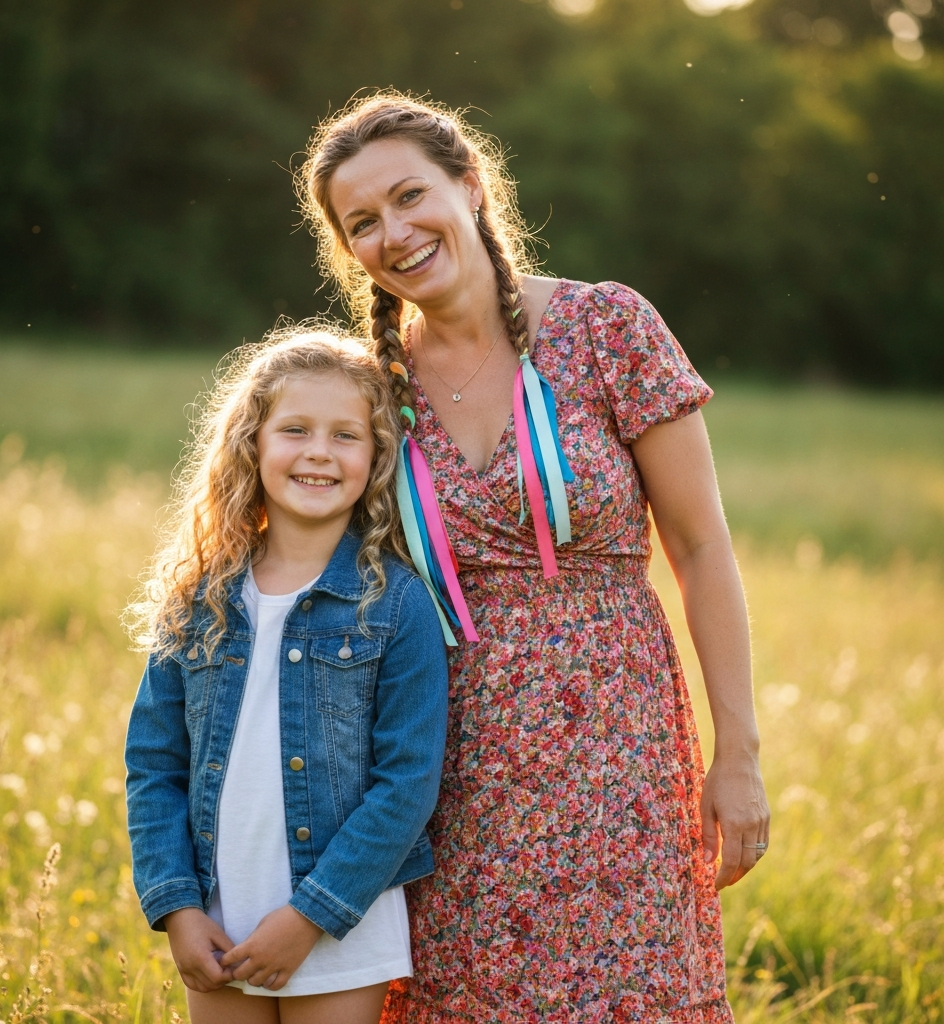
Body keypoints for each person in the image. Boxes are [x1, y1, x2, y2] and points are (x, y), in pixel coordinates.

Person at [299, 94, 772, 1022]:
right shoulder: (362, 388)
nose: (394, 233)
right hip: (438, 765)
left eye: (409, 196)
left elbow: (701, 545)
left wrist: (739, 753)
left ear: (470, 185)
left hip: (619, 752)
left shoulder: (608, 329)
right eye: (363, 223)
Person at [124, 329, 449, 1024]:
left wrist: (310, 915)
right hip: (219, 921)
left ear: (378, 456)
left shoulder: (397, 605)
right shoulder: (200, 597)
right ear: (254, 444)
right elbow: (154, 763)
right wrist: (176, 905)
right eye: (295, 429)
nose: (319, 453)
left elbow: (409, 783)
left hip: (339, 923)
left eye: (345, 436)